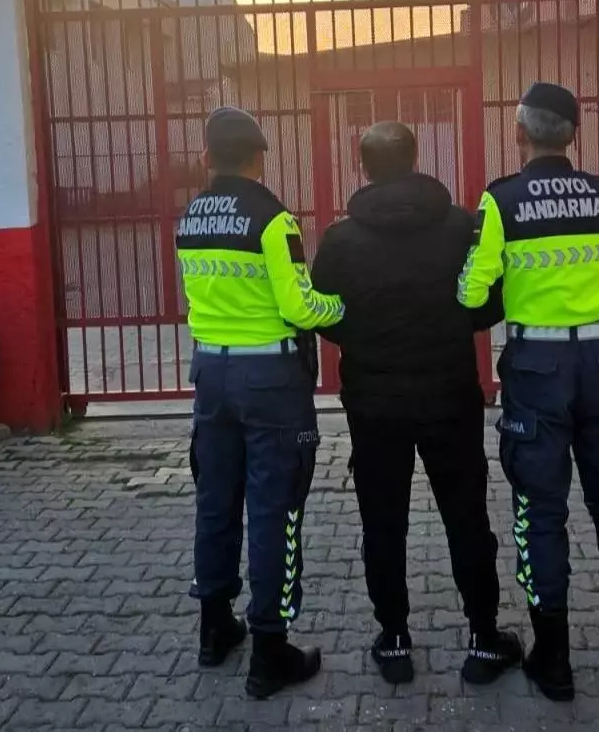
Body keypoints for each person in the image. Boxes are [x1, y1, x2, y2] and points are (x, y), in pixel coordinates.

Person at [457, 82, 599, 702]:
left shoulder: (501, 202)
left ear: (519, 132)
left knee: (540, 512)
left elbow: (471, 293)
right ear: (573, 134)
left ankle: (554, 659)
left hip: (537, 369)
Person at [310, 121, 523, 686]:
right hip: (450, 397)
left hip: (373, 402)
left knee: (382, 521)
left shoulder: (341, 239)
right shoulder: (459, 226)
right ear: (415, 158)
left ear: (363, 167)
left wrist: (363, 338)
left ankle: (395, 640)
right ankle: (483, 638)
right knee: (467, 517)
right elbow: (488, 302)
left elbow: (322, 311)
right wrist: (452, 326)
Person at [178, 106, 345, 699]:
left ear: (206, 157)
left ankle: (214, 629)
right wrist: (341, 307)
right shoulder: (273, 220)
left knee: (215, 501)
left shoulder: (190, 216)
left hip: (211, 374)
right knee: (274, 508)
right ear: (258, 158)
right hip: (269, 378)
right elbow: (299, 306)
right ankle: (270, 650)